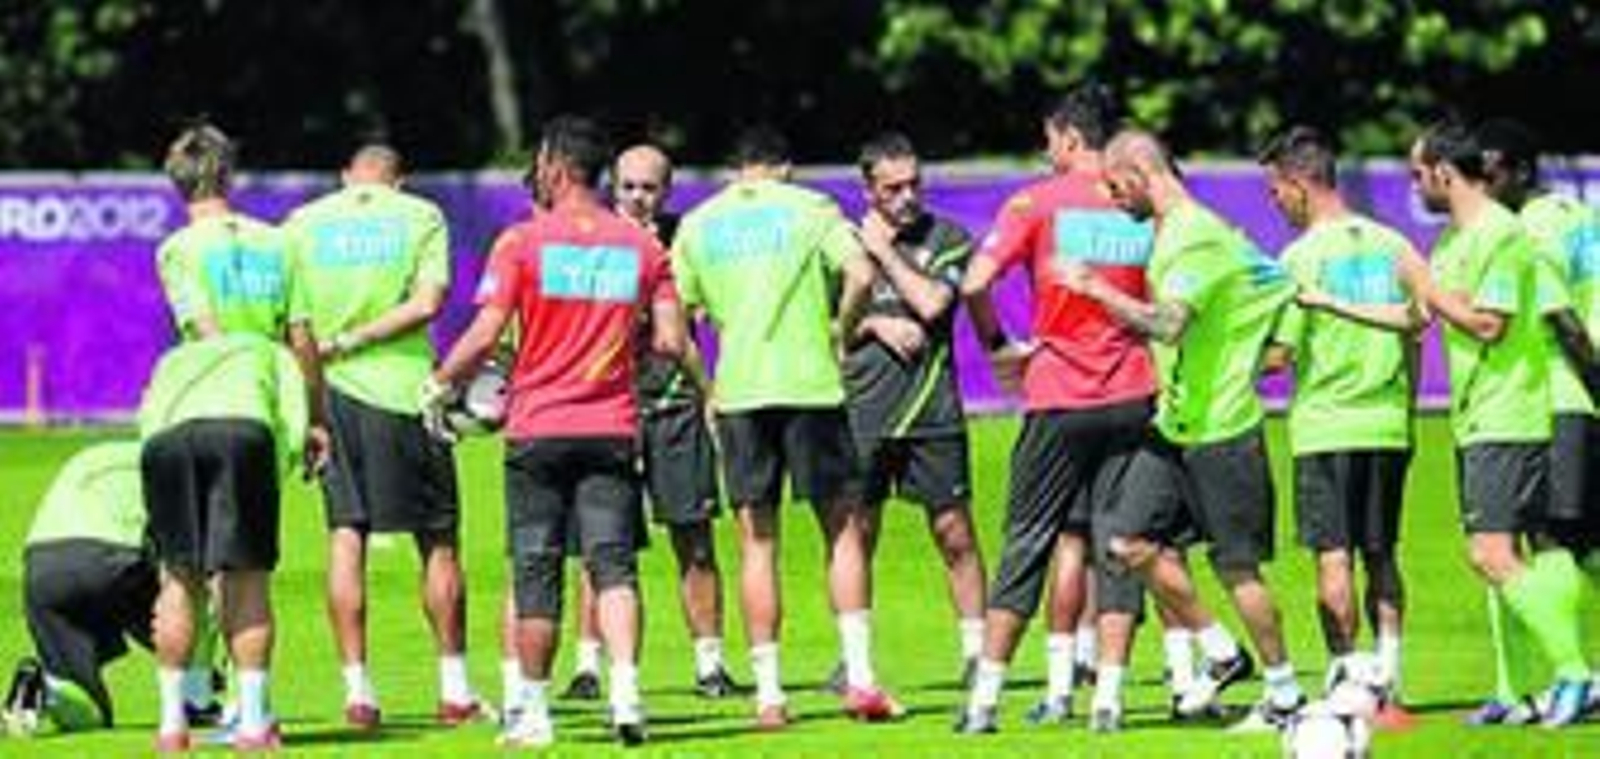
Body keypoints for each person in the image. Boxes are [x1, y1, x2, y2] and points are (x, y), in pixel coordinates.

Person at [956, 85, 1223, 733]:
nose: (1046, 151)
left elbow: (973, 282)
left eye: (1049, 139)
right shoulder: (1136, 202)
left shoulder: (1035, 201)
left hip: (1057, 393)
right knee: (1122, 544)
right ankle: (1108, 699)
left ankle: (984, 700)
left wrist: (997, 345)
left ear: (1068, 137)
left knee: (1028, 540)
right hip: (1133, 391)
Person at [424, 115, 685, 748]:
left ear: (557, 168)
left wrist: (440, 383)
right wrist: (627, 372)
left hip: (538, 428)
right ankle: (626, 698)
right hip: (613, 425)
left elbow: (486, 334)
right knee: (613, 568)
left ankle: (534, 714)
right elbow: (672, 343)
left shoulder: (521, 242)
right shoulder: (644, 247)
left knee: (536, 569)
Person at [1067, 128, 1308, 731]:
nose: (1114, 200)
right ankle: (1223, 651)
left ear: (1137, 174)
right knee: (1126, 542)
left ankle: (1284, 696)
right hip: (1175, 425)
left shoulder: (1194, 235)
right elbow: (1275, 283)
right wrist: (1258, 343)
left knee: (1237, 568)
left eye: (1115, 187)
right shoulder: (1188, 232)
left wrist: (1094, 289)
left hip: (1223, 429)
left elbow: (1169, 324)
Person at [669, 126, 889, 728]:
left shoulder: (698, 223)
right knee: (842, 531)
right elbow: (864, 276)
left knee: (756, 545)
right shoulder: (811, 208)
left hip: (740, 392)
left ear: (738, 170)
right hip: (811, 386)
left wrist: (707, 386)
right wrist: (840, 333)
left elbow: (673, 326)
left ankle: (769, 695)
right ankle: (862, 679)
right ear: (784, 168)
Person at [284, 143, 481, 729]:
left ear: (346, 177)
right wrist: (357, 339)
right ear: (400, 180)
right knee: (439, 540)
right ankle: (454, 691)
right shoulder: (420, 215)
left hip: (332, 396)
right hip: (406, 391)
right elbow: (427, 303)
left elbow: (290, 323)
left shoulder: (301, 224)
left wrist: (325, 363)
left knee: (346, 535)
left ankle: (359, 694)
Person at [1406, 119, 1594, 728]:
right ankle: (1517, 690)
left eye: (1418, 174)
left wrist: (1427, 289)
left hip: (1527, 407)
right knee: (1512, 551)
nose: (1414, 188)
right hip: (1484, 414)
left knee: (1511, 551)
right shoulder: (1457, 241)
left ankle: (1573, 674)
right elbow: (1423, 313)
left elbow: (1509, 323)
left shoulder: (1512, 233)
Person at [561, 143, 740, 702]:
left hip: (673, 408)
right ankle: (588, 668)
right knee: (599, 545)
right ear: (612, 187)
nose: (638, 197)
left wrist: (712, 384)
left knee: (695, 536)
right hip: (604, 412)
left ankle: (710, 664)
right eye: (628, 187)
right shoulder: (591, 241)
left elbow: (710, 311)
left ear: (667, 190)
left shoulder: (686, 240)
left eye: (649, 188)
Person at [1257, 125, 1424, 722]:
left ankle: (1347, 683)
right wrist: (1404, 408)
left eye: (1275, 192)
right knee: (1382, 555)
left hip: (1326, 426)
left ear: (1300, 184)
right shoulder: (1393, 243)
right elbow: (1415, 328)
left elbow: (1280, 357)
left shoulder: (1299, 259)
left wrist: (1238, 360)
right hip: (1387, 423)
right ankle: (1391, 683)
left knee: (1333, 559)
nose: (1273, 204)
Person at [843, 131, 987, 684]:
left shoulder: (948, 236)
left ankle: (977, 654)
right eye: (892, 188)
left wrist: (881, 251)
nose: (907, 197)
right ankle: (856, 665)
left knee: (955, 533)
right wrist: (875, 322)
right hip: (862, 411)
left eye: (913, 185)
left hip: (932, 411)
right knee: (857, 534)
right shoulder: (839, 245)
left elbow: (932, 303)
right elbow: (829, 332)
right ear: (868, 189)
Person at [138, 334, 314, 751]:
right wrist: (270, 485)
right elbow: (294, 420)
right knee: (247, 580)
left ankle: (171, 726)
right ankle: (253, 723)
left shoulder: (173, 356)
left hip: (165, 445)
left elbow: (146, 423)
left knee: (178, 582)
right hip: (241, 434)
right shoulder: (272, 351)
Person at [11, 442, 221, 733]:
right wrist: (197, 665)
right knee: (192, 592)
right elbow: (180, 582)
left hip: (41, 573)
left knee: (92, 716)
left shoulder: (95, 454)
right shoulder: (177, 466)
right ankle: (196, 700)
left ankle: (44, 688)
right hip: (110, 555)